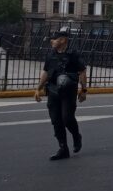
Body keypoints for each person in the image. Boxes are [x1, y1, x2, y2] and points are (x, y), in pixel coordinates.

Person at [34, 31, 87, 161]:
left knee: (67, 118)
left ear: (63, 40)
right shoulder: (50, 55)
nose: (51, 41)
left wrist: (84, 90)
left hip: (68, 92)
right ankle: (63, 149)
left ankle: (76, 136)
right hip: (53, 91)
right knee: (56, 121)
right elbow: (46, 72)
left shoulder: (73, 55)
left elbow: (82, 72)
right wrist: (38, 89)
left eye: (54, 39)